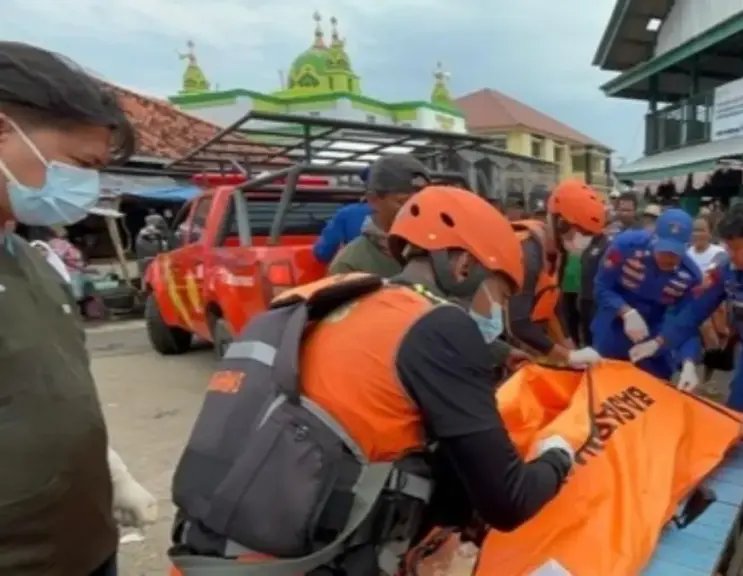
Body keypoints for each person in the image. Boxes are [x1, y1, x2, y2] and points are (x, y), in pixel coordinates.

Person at [169, 186, 575, 573]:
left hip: (209, 550)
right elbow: (509, 501)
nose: (497, 311)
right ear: (463, 267)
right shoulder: (443, 326)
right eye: (500, 295)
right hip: (289, 563)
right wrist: (558, 456)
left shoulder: (347, 296)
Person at [0, 41, 155, 575]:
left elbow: (52, 388)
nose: (87, 187)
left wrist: (111, 473)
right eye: (80, 165)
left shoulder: (33, 262)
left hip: (83, 545)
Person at [633, 199, 743, 439]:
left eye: (736, 248)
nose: (730, 254)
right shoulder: (727, 272)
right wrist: (659, 343)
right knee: (735, 426)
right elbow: (693, 312)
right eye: (727, 247)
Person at [591, 209, 703, 380]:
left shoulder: (690, 276)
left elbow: (686, 322)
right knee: (606, 379)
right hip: (613, 324)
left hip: (655, 336)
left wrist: (689, 363)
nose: (669, 257)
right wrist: (625, 311)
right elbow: (601, 286)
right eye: (665, 250)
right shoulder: (626, 246)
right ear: (654, 237)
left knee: (654, 384)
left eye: (676, 253)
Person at [505, 180, 606, 366]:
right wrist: (567, 356)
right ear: (561, 224)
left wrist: (570, 347)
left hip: (528, 341)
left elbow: (553, 302)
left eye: (589, 235)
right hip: (499, 344)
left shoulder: (557, 253)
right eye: (582, 233)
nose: (585, 241)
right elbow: (518, 323)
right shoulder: (528, 253)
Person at [328, 154, 429, 276]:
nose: (416, 211)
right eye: (403, 202)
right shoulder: (349, 265)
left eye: (422, 202)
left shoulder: (439, 248)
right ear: (373, 200)